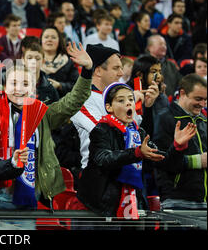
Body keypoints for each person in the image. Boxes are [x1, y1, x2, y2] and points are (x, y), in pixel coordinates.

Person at [0, 36, 93, 211]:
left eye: (25, 84)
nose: (19, 89)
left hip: (32, 195)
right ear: (5, 87)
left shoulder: (42, 114)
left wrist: (87, 70)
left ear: (33, 89)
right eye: (13, 83)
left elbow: (73, 101)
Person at [76, 82, 195, 218]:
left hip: (133, 202)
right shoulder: (101, 130)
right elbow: (104, 159)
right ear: (109, 107)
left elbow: (166, 163)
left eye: (131, 99)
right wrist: (136, 153)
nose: (128, 103)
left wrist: (177, 147)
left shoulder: (139, 133)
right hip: (99, 207)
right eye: (121, 100)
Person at [153, 74, 207, 210]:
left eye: (205, 100)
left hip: (204, 202)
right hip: (177, 201)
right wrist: (198, 161)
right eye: (198, 99)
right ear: (182, 93)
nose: (203, 104)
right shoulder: (165, 118)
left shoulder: (204, 121)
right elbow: (160, 160)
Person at [70, 44, 124, 170]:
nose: (121, 73)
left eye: (121, 68)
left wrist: (147, 108)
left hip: (120, 170)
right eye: (116, 68)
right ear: (98, 71)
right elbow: (102, 133)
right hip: (96, 175)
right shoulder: (82, 100)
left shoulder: (116, 97)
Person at [40, 26, 79, 97]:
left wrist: (60, 85)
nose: (49, 40)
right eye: (46, 37)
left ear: (59, 41)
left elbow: (77, 86)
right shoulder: (33, 60)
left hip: (63, 101)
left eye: (53, 37)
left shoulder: (68, 61)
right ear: (41, 40)